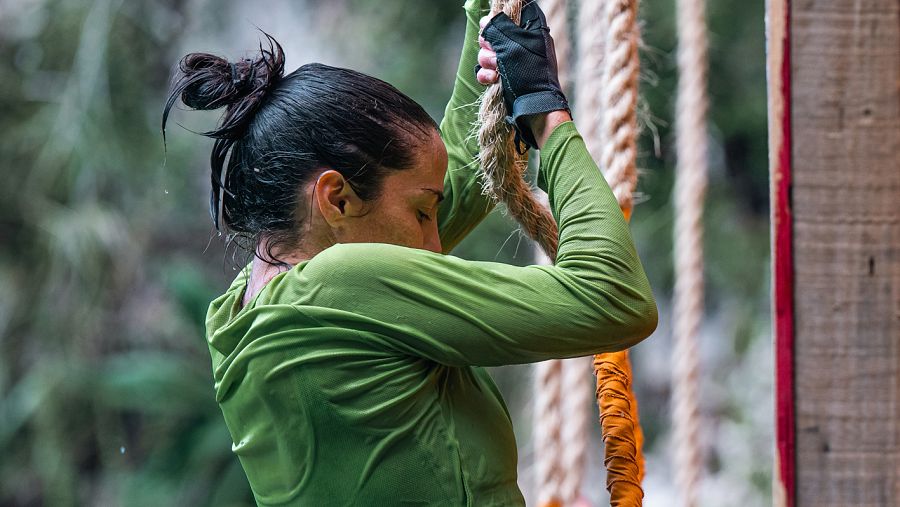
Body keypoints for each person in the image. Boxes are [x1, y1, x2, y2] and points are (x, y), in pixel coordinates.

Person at [162, 0, 657, 505]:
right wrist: (547, 114)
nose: (435, 244)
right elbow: (613, 298)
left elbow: (462, 167)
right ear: (336, 198)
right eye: (422, 213)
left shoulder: (243, 310)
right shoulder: (341, 285)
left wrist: (485, 12)